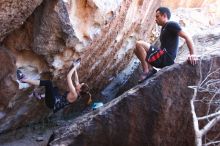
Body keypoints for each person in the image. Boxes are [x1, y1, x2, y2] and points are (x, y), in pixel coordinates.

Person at [134, 7, 197, 83]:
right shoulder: (164, 28)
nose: (155, 19)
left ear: (164, 15)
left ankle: (146, 71)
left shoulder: (171, 24)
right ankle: (150, 69)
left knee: (139, 44)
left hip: (167, 58)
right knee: (136, 50)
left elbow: (187, 36)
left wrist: (192, 54)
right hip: (162, 58)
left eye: (157, 16)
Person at [16, 58, 92, 113]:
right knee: (55, 89)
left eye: (81, 84)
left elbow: (68, 77)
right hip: (56, 99)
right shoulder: (78, 92)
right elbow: (76, 80)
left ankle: (23, 79)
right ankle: (40, 96)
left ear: (80, 90)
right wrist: (75, 67)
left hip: (52, 103)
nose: (79, 83)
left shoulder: (74, 94)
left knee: (48, 83)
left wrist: (75, 66)